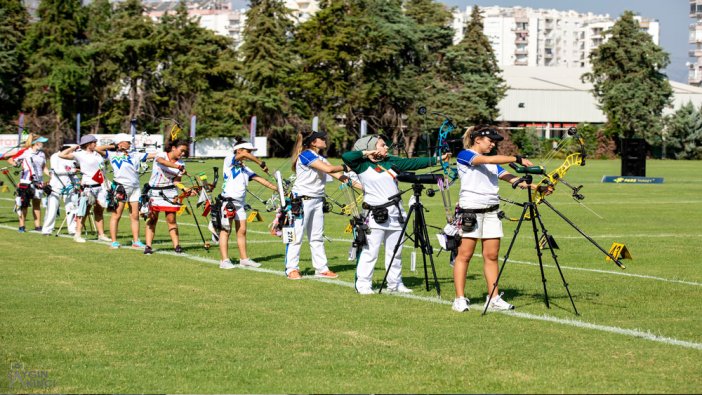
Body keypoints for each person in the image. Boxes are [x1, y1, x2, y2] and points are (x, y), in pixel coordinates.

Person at [451, 125, 548, 313]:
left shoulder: (493, 164)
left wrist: (538, 188)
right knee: (465, 255)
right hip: (471, 211)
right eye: (490, 140)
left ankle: (494, 297)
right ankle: (460, 299)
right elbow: (485, 159)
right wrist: (517, 158)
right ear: (477, 139)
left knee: (492, 256)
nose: (493, 144)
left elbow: (514, 180)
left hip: (491, 212)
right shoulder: (465, 155)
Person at [342, 135, 450, 295]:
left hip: (396, 212)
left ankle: (395, 283)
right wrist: (367, 153)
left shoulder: (390, 162)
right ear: (372, 147)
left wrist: (439, 159)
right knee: (370, 251)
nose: (386, 148)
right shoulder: (361, 165)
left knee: (396, 251)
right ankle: (364, 284)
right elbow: (347, 156)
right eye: (382, 145)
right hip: (375, 214)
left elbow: (414, 163)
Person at [284, 131, 361, 280]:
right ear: (313, 142)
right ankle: (291, 269)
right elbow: (329, 170)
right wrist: (349, 166)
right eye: (321, 138)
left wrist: (364, 187)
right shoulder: (306, 155)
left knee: (317, 237)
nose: (324, 139)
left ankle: (321, 268)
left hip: (317, 200)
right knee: (296, 236)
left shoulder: (319, 157)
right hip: (301, 201)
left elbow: (339, 176)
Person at [216, 141, 278, 269]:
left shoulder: (245, 168)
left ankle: (244, 259)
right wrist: (260, 162)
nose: (250, 154)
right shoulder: (229, 160)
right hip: (228, 202)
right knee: (226, 230)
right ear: (239, 151)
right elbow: (246, 155)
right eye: (248, 151)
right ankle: (224, 261)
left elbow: (258, 178)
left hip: (240, 203)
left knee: (242, 231)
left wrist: (277, 189)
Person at [105, 133, 157, 249]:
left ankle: (136, 241)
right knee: (116, 215)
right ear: (121, 143)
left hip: (135, 187)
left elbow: (153, 155)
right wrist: (114, 147)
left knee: (135, 216)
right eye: (127, 142)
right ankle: (114, 241)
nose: (130, 144)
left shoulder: (135, 155)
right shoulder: (112, 154)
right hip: (121, 187)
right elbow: (97, 149)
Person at [59, 135, 112, 243]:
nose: (96, 144)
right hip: (89, 186)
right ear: (88, 144)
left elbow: (103, 160)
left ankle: (101, 234)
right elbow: (61, 155)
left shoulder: (97, 154)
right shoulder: (80, 155)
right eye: (94, 142)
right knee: (84, 211)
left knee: (99, 210)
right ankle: (77, 234)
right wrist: (74, 147)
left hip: (100, 186)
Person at [143, 138, 191, 255]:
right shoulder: (162, 155)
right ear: (174, 148)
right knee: (153, 218)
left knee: (171, 219)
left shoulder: (181, 163)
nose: (183, 154)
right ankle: (148, 246)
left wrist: (184, 188)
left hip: (170, 192)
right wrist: (178, 168)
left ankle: (177, 246)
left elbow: (176, 181)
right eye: (181, 150)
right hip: (154, 191)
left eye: (185, 152)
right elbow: (162, 162)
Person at [8, 135, 49, 233]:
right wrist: (16, 164)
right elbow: (10, 159)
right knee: (24, 205)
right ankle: (22, 226)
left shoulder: (42, 154)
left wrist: (51, 174)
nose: (43, 144)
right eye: (41, 142)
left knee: (36, 204)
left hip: (38, 182)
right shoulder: (26, 152)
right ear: (36, 143)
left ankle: (38, 226)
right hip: (26, 182)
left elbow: (43, 167)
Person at [41, 143, 79, 236]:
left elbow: (74, 170)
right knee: (52, 209)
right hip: (56, 186)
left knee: (71, 208)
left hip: (69, 185)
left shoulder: (71, 157)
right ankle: (47, 230)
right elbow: (55, 170)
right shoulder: (55, 156)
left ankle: (72, 229)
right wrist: (72, 171)